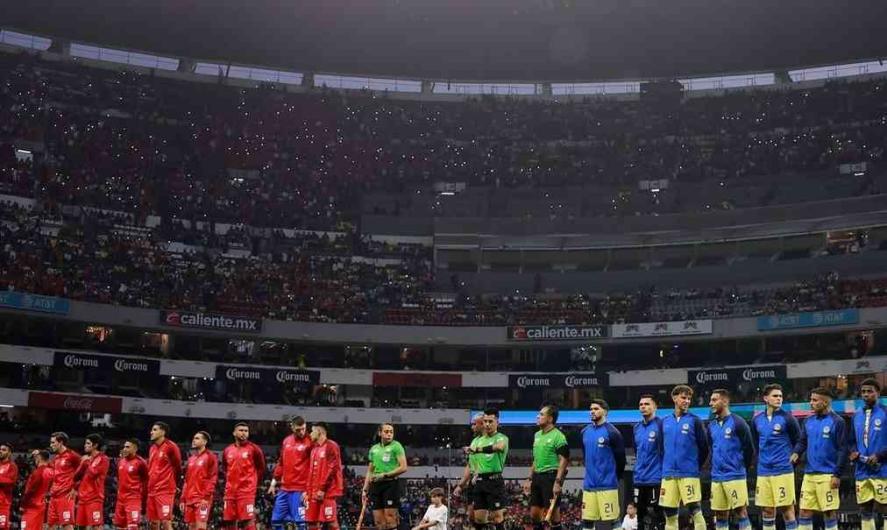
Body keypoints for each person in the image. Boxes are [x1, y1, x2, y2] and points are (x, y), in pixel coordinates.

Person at [794, 387, 848, 530]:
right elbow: (802, 441)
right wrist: (796, 452)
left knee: (829, 512)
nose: (811, 403)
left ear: (824, 403)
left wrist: (837, 474)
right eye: (811, 399)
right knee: (804, 512)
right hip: (809, 474)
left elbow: (843, 449)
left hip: (828, 475)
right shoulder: (807, 421)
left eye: (814, 400)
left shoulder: (838, 421)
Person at [750, 383, 801, 530]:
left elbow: (799, 440)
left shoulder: (788, 419)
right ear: (766, 398)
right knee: (767, 510)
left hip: (783, 470)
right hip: (764, 472)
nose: (779, 398)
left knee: (787, 510)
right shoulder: (756, 420)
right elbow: (755, 443)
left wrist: (794, 457)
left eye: (780, 396)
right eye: (775, 396)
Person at [660, 385, 709, 530]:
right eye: (683, 398)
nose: (687, 401)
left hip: (689, 473)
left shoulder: (695, 421)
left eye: (689, 398)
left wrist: (694, 466)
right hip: (668, 473)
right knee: (669, 513)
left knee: (695, 510)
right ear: (674, 398)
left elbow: (704, 448)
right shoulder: (665, 421)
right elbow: (662, 448)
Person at [707, 389, 755, 530]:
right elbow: (711, 447)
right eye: (710, 400)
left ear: (725, 401)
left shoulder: (738, 422)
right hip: (716, 477)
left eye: (714, 400)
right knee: (720, 514)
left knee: (741, 512)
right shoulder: (711, 426)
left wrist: (740, 468)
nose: (711, 403)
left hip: (735, 476)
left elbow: (749, 449)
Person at [847, 379, 887, 530]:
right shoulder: (856, 415)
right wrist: (853, 452)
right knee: (865, 509)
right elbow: (850, 441)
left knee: (884, 507)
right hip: (862, 470)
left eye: (869, 391)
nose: (865, 395)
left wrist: (880, 455)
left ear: (878, 393)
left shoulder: (885, 412)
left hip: (883, 469)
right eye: (863, 392)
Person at [580, 399, 625, 530]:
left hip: (608, 484)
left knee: (614, 521)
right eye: (591, 409)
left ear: (605, 411)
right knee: (587, 521)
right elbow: (585, 456)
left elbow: (621, 459)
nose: (592, 411)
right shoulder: (584, 432)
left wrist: (614, 477)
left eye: (596, 409)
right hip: (589, 485)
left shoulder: (613, 433)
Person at [523, 404, 569, 530]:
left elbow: (564, 460)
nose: (538, 416)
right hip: (537, 477)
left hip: (550, 477)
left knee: (553, 516)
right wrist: (529, 478)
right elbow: (536, 459)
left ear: (550, 419)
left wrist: (558, 482)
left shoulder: (558, 436)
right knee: (534, 515)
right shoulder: (537, 435)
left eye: (542, 414)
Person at [466, 408, 509, 530]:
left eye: (491, 421)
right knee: (478, 518)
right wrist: (474, 474)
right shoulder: (478, 440)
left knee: (497, 517)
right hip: (479, 481)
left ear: (497, 423)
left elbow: (500, 447)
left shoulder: (502, 438)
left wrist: (478, 450)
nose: (487, 424)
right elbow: (473, 461)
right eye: (485, 421)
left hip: (494, 481)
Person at [362, 423, 409, 530]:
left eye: (391, 432)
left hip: (390, 484)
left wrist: (384, 475)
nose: (389, 434)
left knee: (390, 518)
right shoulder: (374, 449)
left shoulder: (396, 446)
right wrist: (365, 488)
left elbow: (403, 467)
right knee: (379, 521)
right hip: (375, 486)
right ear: (380, 433)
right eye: (386, 431)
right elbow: (370, 471)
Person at [270, 416, 313, 530]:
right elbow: (281, 462)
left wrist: (309, 489)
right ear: (292, 427)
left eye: (303, 428)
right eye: (298, 430)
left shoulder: (310, 441)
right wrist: (273, 482)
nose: (301, 432)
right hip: (284, 488)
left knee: (300, 523)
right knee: (275, 521)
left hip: (300, 489)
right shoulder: (286, 441)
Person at [223, 422, 266, 530]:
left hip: (246, 492)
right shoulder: (227, 450)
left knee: (248, 521)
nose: (244, 433)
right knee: (229, 523)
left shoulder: (254, 449)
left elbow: (261, 468)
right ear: (234, 433)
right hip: (230, 493)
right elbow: (225, 469)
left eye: (246, 431)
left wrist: (254, 484)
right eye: (241, 430)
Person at [632, 394, 663, 530]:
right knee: (640, 517)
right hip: (639, 479)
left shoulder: (661, 425)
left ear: (655, 406)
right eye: (641, 404)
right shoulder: (636, 428)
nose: (643, 407)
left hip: (656, 479)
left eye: (647, 404)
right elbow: (636, 451)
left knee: (658, 515)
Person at [306, 422, 344, 530]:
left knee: (331, 522)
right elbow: (310, 472)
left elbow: (332, 468)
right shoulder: (314, 449)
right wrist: (307, 491)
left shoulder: (331, 446)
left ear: (319, 431)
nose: (310, 434)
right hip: (313, 492)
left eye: (312, 431)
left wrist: (322, 489)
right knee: (312, 523)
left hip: (327, 492)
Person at [147, 421, 183, 530]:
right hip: (152, 490)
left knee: (166, 522)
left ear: (163, 432)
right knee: (153, 523)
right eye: (152, 430)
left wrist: (175, 484)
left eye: (154, 430)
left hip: (165, 490)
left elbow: (178, 468)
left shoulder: (171, 447)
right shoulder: (152, 448)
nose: (151, 432)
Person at [182, 431, 219, 530]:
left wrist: (206, 497)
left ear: (205, 441)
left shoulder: (211, 457)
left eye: (197, 438)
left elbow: (213, 478)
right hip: (190, 499)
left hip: (202, 498)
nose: (194, 440)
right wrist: (183, 499)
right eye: (194, 438)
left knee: (201, 527)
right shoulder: (191, 459)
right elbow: (186, 480)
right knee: (191, 527)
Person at [73, 434, 110, 530]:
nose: (85, 445)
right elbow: (76, 477)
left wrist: (87, 462)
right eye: (85, 443)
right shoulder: (86, 459)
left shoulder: (103, 459)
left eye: (88, 443)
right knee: (80, 527)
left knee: (96, 526)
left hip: (95, 498)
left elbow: (94, 474)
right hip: (82, 498)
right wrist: (82, 463)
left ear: (95, 445)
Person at [454, 413, 485, 526]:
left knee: (483, 517)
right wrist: (461, 485)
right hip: (473, 481)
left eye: (474, 424)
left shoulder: (489, 441)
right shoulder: (474, 441)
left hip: (485, 480)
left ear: (482, 424)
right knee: (471, 515)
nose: (472, 427)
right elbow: (470, 464)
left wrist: (478, 473)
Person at [48, 432, 80, 530]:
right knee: (50, 525)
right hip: (54, 496)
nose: (51, 445)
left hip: (65, 496)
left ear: (61, 442)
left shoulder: (72, 455)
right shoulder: (56, 458)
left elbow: (84, 471)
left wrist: (75, 489)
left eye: (53, 442)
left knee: (67, 525)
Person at [114, 438, 148, 530]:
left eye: (127, 447)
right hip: (120, 499)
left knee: (133, 526)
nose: (124, 449)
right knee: (120, 526)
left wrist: (144, 501)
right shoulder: (121, 461)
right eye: (124, 447)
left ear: (135, 449)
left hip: (133, 499)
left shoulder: (141, 463)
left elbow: (145, 481)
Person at [20, 450, 53, 530]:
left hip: (31, 506)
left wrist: (22, 504)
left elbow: (31, 490)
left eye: (35, 458)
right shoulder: (50, 471)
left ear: (38, 458)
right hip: (42, 505)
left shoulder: (38, 472)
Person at [0, 442, 19, 530]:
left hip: (3, 503)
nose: (0, 451)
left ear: (9, 453)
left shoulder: (12, 466)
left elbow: (11, 481)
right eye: (0, 449)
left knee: (2, 527)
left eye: (4, 450)